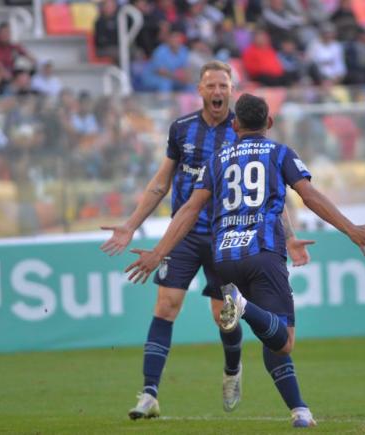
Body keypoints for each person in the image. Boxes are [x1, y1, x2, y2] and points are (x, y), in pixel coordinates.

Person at [124, 93, 365, 428]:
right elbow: (309, 196)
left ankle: (300, 410)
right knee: (284, 340)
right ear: (270, 123)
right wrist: (349, 228)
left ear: (235, 125)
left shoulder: (217, 159)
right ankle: (243, 307)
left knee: (269, 334)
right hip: (262, 254)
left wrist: (158, 252)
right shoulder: (279, 153)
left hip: (224, 259)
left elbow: (189, 209)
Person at [101, 61, 312, 420]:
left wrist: (289, 237)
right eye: (211, 85)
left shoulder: (242, 130)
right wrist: (131, 224)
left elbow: (266, 194)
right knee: (166, 306)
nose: (217, 92)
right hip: (184, 234)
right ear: (199, 90)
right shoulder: (181, 130)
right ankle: (149, 393)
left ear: (232, 91)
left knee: (221, 316)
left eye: (223, 86)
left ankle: (232, 370)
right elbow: (160, 182)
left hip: (228, 236)